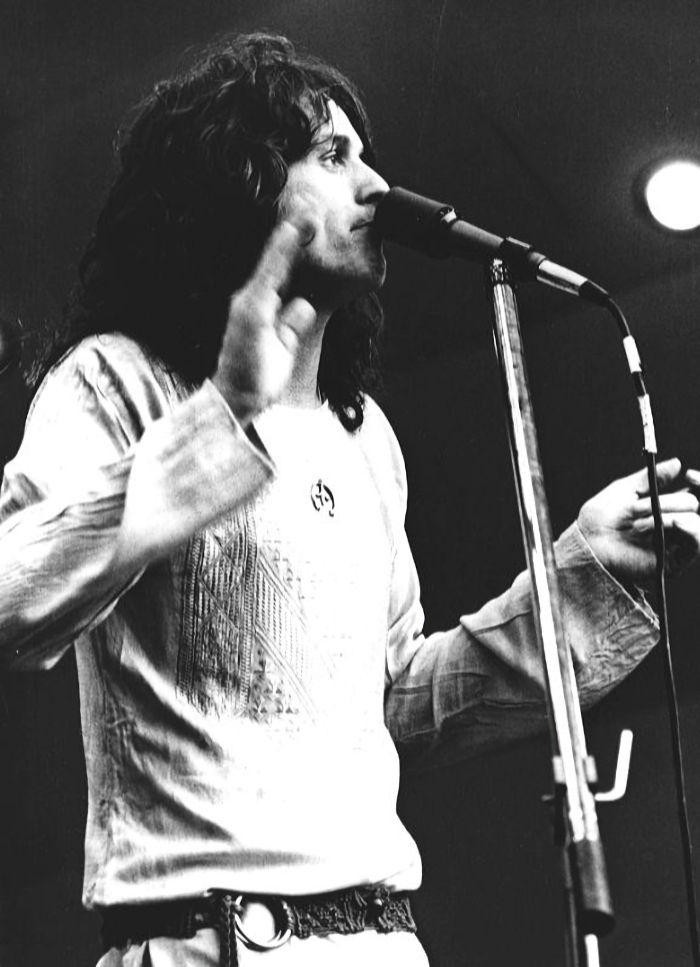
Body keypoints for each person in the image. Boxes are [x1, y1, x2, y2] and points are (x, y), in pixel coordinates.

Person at [1, 32, 699, 967]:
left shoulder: (364, 437)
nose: (376, 185)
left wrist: (585, 576)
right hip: (212, 939)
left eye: (367, 156)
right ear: (243, 183)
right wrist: (216, 425)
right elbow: (11, 593)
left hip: (382, 940)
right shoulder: (116, 379)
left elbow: (397, 696)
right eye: (333, 155)